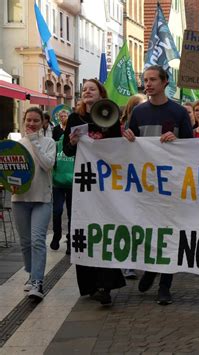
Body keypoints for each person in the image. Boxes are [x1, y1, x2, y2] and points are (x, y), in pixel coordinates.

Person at [123, 65, 193, 305]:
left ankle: (165, 285)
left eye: (153, 79)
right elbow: (129, 145)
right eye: (146, 80)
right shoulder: (139, 113)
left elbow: (191, 148)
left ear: (165, 82)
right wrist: (128, 137)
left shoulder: (178, 112)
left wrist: (178, 141)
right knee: (148, 232)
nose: (148, 84)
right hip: (145, 185)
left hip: (171, 185)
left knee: (169, 234)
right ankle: (151, 268)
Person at [63, 78, 126, 306]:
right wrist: (71, 141)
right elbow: (68, 151)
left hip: (106, 184)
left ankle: (105, 286)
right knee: (85, 229)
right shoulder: (74, 118)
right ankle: (90, 284)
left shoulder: (110, 115)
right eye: (85, 89)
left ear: (101, 94)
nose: (87, 91)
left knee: (104, 228)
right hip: (84, 184)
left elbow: (118, 146)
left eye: (92, 89)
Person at [12, 107, 56, 301]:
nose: (31, 124)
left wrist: (35, 142)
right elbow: (11, 171)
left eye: (35, 121)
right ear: (24, 121)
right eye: (28, 120)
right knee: (25, 242)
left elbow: (47, 164)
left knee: (38, 240)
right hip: (20, 199)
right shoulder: (17, 144)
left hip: (42, 199)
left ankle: (38, 282)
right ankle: (31, 274)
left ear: (42, 123)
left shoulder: (49, 143)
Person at [118, 94, 146, 279]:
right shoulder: (120, 128)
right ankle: (128, 263)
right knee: (128, 222)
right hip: (125, 181)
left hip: (145, 179)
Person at [50, 110, 74, 255]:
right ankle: (57, 234)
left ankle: (71, 241)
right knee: (57, 210)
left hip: (73, 183)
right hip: (58, 183)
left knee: (72, 213)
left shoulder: (77, 145)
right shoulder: (56, 144)